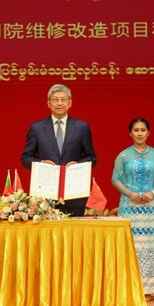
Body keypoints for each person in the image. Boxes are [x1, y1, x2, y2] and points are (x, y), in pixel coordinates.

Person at [111, 117, 154, 301]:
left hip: (151, 209)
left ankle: (147, 289)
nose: (139, 133)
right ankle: (130, 287)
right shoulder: (123, 156)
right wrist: (130, 194)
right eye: (136, 130)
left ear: (148, 133)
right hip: (130, 208)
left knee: (149, 249)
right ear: (130, 133)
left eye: (143, 130)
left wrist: (152, 192)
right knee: (132, 247)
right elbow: (115, 179)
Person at [21, 84, 97, 217]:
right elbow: (26, 158)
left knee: (74, 235)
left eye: (63, 99)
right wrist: (42, 163)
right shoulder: (37, 128)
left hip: (74, 194)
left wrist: (78, 165)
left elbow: (92, 158)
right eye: (55, 100)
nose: (59, 103)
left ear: (70, 103)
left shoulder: (81, 127)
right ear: (48, 103)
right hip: (45, 195)